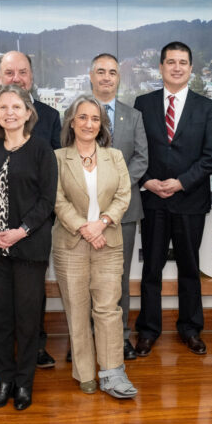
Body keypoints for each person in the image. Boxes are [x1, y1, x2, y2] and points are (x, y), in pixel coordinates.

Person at [0, 50, 62, 369]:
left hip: (32, 226)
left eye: (22, 72)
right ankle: (5, 363)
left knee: (32, 298)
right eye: (9, 73)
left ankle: (35, 350)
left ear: (32, 76)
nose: (16, 78)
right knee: (0, 304)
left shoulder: (49, 116)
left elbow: (51, 175)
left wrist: (25, 226)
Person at [132, 41, 212, 356]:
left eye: (183, 62)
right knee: (151, 269)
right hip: (153, 200)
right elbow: (135, 150)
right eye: (171, 62)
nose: (177, 67)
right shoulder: (142, 104)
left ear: (191, 68)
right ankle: (148, 330)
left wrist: (181, 182)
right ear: (160, 67)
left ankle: (190, 328)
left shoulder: (207, 108)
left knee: (189, 267)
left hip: (189, 200)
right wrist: (147, 181)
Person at [0, 85, 57, 412]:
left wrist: (21, 231)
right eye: (3, 107)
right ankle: (4, 379)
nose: (10, 112)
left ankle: (24, 383)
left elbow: (47, 201)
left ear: (27, 113)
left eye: (16, 107)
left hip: (29, 249)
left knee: (27, 319)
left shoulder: (41, 151)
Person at [52, 95, 137, 398]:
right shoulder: (58, 158)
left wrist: (101, 223)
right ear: (72, 122)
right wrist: (85, 229)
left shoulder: (114, 156)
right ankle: (85, 373)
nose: (89, 123)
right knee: (77, 309)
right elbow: (57, 199)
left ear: (102, 125)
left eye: (95, 118)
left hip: (108, 243)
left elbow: (124, 195)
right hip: (71, 245)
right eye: (83, 117)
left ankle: (113, 372)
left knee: (108, 309)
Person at [88, 53, 148, 361]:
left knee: (118, 278)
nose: (107, 77)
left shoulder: (133, 116)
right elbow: (65, 155)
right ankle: (86, 341)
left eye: (112, 72)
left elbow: (141, 158)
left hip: (123, 210)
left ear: (118, 78)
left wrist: (116, 187)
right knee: (87, 278)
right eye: (101, 71)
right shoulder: (76, 114)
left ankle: (121, 337)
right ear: (91, 76)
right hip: (85, 212)